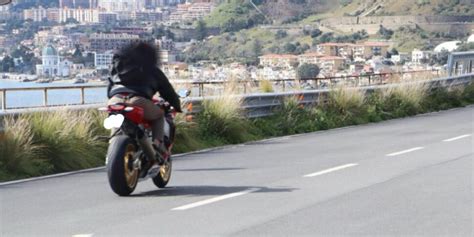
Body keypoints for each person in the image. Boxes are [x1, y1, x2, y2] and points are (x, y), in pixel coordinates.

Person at [107, 42, 182, 157]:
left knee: (116, 121)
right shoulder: (152, 70)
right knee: (159, 115)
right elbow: (168, 92)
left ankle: (112, 145)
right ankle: (158, 145)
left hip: (115, 100)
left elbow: (109, 87)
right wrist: (177, 106)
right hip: (137, 101)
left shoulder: (117, 66)